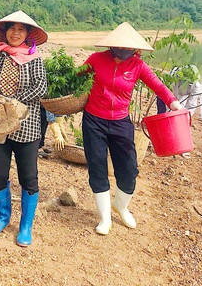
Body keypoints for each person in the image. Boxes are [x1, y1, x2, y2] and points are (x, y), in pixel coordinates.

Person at [77, 22, 183, 235]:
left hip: (120, 122)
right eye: (120, 48)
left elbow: (158, 86)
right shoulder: (96, 60)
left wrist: (173, 103)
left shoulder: (138, 66)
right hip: (94, 120)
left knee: (128, 169)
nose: (123, 52)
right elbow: (76, 78)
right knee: (97, 167)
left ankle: (121, 206)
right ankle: (105, 218)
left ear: (135, 50)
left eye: (129, 49)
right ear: (111, 46)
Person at [0, 10, 48, 247]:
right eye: (11, 28)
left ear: (27, 35)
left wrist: (13, 103)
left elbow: (40, 88)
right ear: (5, 32)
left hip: (27, 125)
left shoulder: (34, 59)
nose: (15, 33)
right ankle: (3, 216)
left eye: (21, 29)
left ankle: (25, 226)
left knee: (28, 177)